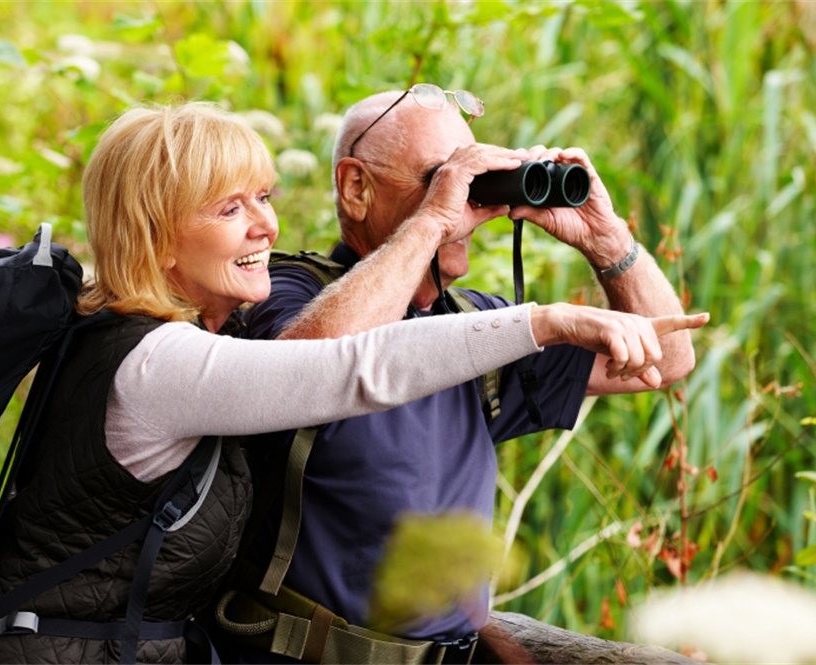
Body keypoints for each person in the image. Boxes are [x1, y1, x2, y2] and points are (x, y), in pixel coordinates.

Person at [0, 102, 672, 665]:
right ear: (157, 232)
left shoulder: (163, 337)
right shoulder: (157, 362)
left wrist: (603, 236)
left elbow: (664, 362)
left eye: (266, 199)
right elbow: (339, 369)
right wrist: (541, 319)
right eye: (230, 206)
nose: (265, 226)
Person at [226, 85, 709, 663]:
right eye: (439, 176)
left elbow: (670, 359)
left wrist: (605, 237)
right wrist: (433, 220)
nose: (465, 201)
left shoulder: (479, 325)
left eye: (474, 178)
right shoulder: (288, 293)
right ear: (356, 188)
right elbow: (305, 370)